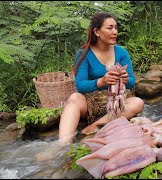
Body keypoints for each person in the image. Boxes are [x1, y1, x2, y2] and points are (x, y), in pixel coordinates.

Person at [58, 12, 144, 145]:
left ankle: (93, 127)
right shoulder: (84, 53)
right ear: (97, 31)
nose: (115, 31)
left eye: (116, 27)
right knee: (74, 98)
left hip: (116, 103)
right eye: (110, 28)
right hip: (91, 104)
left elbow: (132, 83)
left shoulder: (121, 52)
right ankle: (62, 144)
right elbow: (80, 85)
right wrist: (101, 82)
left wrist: (126, 80)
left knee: (137, 102)